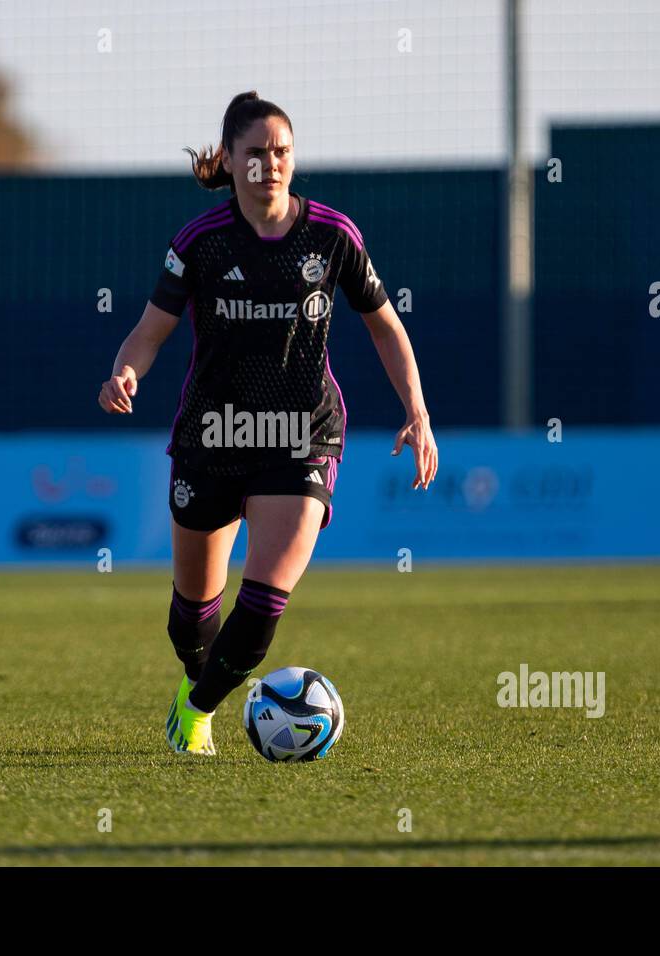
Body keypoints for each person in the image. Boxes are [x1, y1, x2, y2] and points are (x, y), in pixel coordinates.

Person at [98, 91, 437, 755]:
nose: (271, 163)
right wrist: (125, 372)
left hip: (301, 433)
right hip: (214, 435)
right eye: (255, 153)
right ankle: (202, 682)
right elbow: (148, 332)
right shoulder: (199, 242)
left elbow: (385, 326)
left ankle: (196, 713)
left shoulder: (333, 236)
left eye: (281, 150)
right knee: (192, 620)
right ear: (229, 161)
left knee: (265, 596)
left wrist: (417, 412)